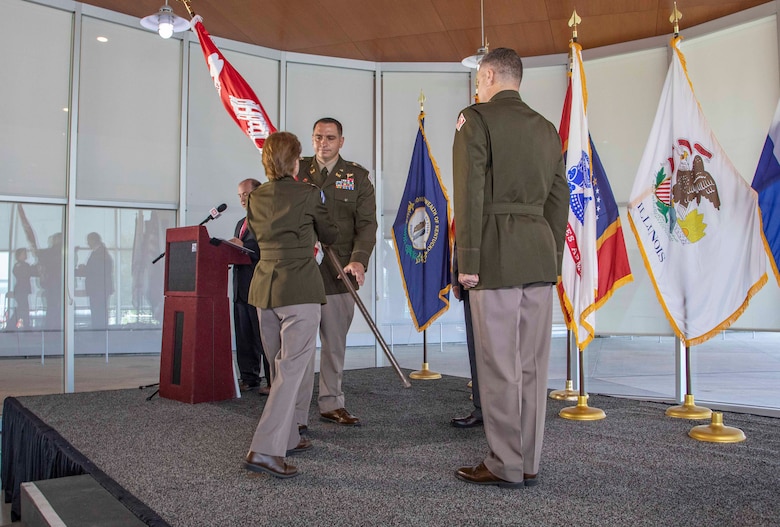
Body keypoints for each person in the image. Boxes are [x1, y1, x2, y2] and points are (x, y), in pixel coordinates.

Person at [451, 48, 568, 489]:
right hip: (538, 256)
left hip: (494, 255)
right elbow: (559, 201)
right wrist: (550, 255)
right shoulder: (547, 129)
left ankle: (505, 463)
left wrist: (468, 259)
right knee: (533, 368)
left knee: (499, 365)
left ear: (489, 74)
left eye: (479, 80)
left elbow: (470, 192)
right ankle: (529, 461)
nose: (476, 87)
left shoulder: (475, 119)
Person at [244, 131, 339, 478]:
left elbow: (254, 234)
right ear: (295, 161)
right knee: (290, 372)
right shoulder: (308, 194)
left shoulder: (254, 198)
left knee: (278, 368)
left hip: (264, 290)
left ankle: (290, 433)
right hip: (298, 289)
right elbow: (330, 234)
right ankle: (266, 450)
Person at [298, 117, 377, 427]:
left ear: (341, 141)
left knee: (334, 343)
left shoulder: (357, 177)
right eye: (318, 136)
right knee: (299, 346)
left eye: (330, 137)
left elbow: (367, 225)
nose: (323, 143)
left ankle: (331, 403)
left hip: (339, 272)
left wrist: (359, 260)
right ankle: (294, 410)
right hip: (301, 273)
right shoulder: (297, 170)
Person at [229, 178, 271, 395]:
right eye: (240, 195)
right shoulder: (240, 223)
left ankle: (273, 381)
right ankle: (249, 378)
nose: (243, 199)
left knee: (264, 337)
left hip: (259, 287)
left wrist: (244, 246)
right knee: (244, 336)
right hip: (240, 288)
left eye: (246, 194)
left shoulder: (267, 221)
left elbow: (268, 252)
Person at [449, 234, 482, 428]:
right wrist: (456, 275)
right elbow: (462, 234)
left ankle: (509, 412)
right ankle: (482, 410)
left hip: (505, 278)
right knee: (476, 350)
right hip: (472, 280)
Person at [76, 232, 114, 330]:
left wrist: (84, 270)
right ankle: (99, 332)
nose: (87, 243)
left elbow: (96, 270)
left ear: (94, 240)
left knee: (98, 312)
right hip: (99, 289)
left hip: (99, 289)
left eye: (88, 240)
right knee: (98, 312)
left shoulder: (100, 253)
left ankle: (99, 333)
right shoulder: (99, 252)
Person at [36, 233, 63, 330]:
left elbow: (42, 264)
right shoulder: (64, 252)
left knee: (52, 306)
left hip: (51, 283)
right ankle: (59, 327)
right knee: (59, 307)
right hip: (60, 283)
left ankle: (50, 329)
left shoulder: (49, 252)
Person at [11, 248, 33, 330]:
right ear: (19, 255)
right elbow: (24, 273)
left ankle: (26, 325)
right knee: (22, 308)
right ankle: (11, 325)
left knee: (23, 308)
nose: (26, 255)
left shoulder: (25, 265)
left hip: (23, 290)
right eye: (24, 253)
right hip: (21, 290)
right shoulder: (19, 266)